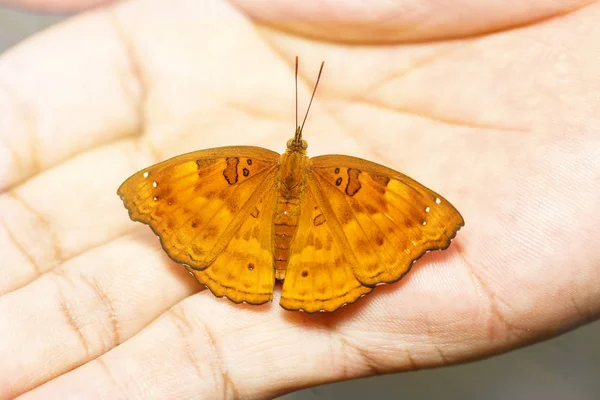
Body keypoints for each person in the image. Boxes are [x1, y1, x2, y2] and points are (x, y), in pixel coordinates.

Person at [1, 0, 598, 398]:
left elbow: (424, 215)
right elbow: (156, 191)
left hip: (258, 243)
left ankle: (264, 273)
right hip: (315, 245)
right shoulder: (354, 180)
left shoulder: (238, 170)